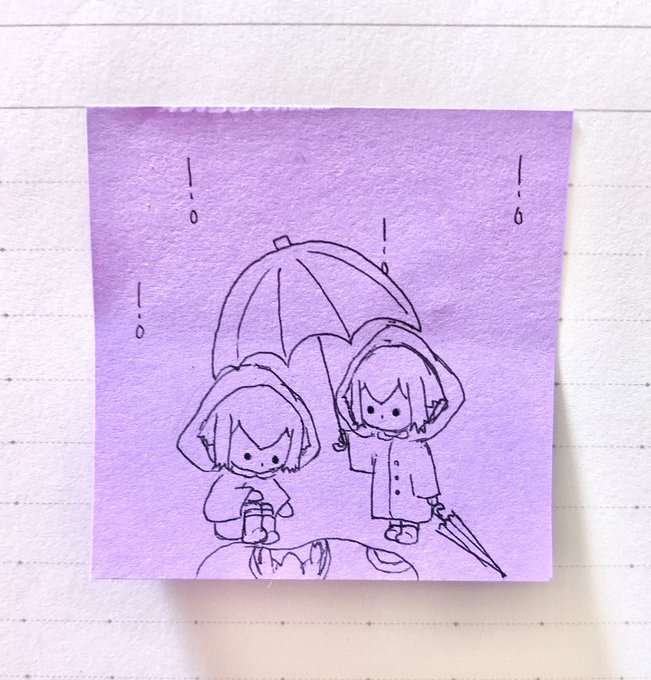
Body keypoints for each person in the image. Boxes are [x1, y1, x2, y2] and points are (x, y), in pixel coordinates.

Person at [336, 323, 464, 545]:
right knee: (390, 505)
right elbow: (364, 462)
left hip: (412, 493)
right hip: (387, 493)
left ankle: (410, 526)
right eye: (370, 409)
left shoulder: (415, 444)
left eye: (395, 411)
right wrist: (351, 431)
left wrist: (430, 495)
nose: (381, 417)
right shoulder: (378, 440)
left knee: (410, 507)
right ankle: (395, 524)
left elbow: (424, 472)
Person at [177, 363, 319, 544]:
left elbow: (311, 447)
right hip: (229, 523)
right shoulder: (228, 480)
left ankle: (266, 528)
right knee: (238, 516)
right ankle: (251, 529)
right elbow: (216, 506)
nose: (261, 465)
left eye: (274, 458)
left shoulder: (267, 479)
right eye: (247, 456)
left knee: (265, 505)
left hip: (262, 519)